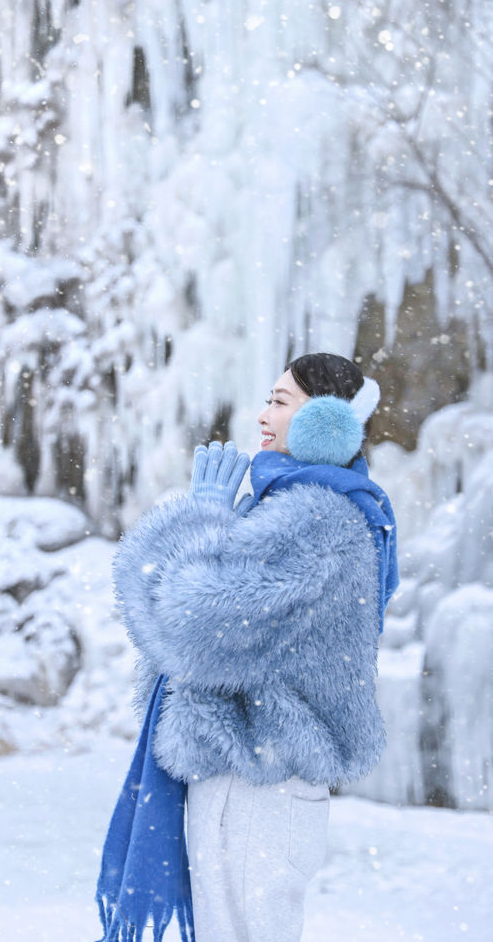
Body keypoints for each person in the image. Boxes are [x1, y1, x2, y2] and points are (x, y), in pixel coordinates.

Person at [94, 352, 399, 942]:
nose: (262, 416)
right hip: (252, 782)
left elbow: (191, 629)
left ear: (326, 423)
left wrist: (203, 519)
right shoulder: (301, 509)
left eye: (280, 403)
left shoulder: (319, 521)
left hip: (261, 791)